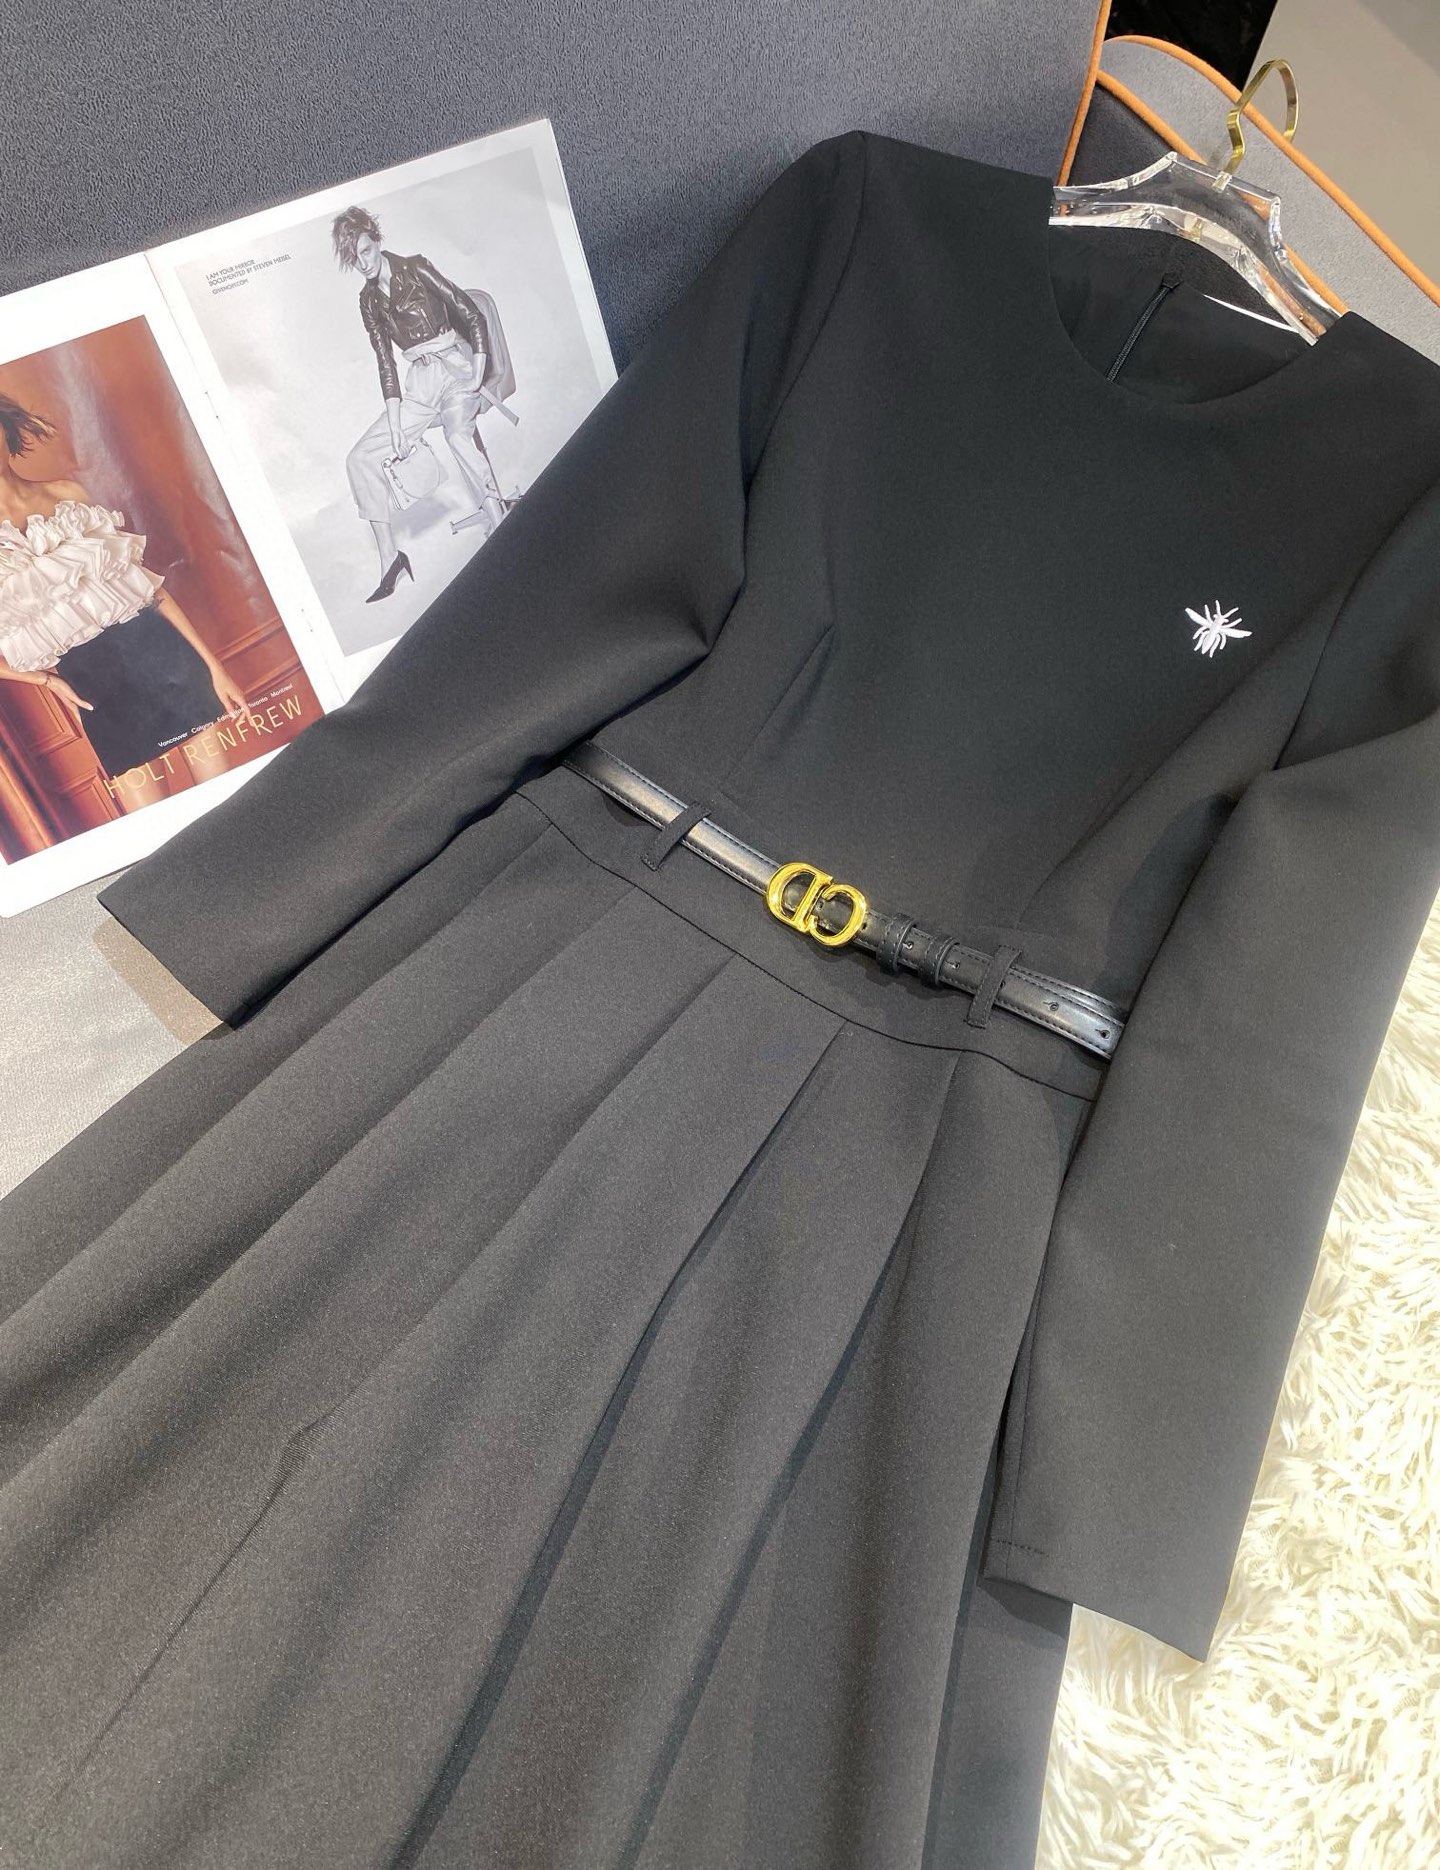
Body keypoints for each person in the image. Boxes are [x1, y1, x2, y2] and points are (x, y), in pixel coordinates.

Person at [0, 392, 247, 786]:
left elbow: (148, 591)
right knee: (157, 815)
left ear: (7, 429)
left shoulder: (67, 496)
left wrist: (215, 669)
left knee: (224, 794)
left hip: (164, 658)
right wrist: (46, 680)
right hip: (93, 685)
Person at [334, 206, 513, 602]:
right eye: (354, 258)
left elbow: (470, 313)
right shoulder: (368, 301)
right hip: (420, 383)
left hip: (455, 370)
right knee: (359, 458)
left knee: (457, 436)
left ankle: (501, 526)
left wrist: (476, 370)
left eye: (366, 251)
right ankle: (390, 558)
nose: (363, 263)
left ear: (376, 239)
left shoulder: (415, 267)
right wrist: (396, 424)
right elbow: (385, 362)